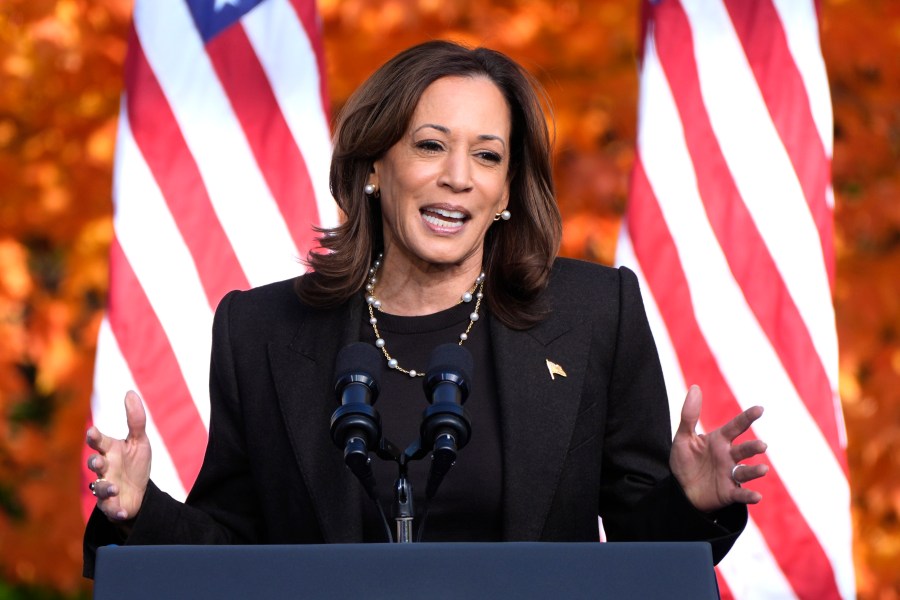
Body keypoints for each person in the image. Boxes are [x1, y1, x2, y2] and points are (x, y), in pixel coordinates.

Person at [83, 40, 767, 577]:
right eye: (431, 145)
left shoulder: (594, 313)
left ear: (506, 191)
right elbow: (237, 551)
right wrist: (140, 512)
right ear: (375, 168)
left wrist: (692, 502)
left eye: (488, 156)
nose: (458, 177)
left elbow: (638, 557)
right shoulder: (261, 331)